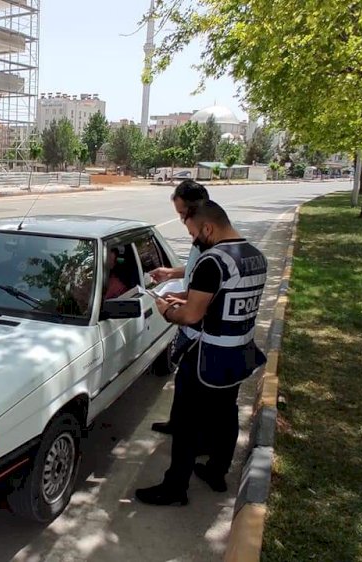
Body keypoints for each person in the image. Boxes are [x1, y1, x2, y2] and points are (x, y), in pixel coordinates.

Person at [134, 200, 267, 506]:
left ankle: (174, 488)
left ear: (208, 227)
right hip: (239, 353)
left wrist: (167, 310)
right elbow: (220, 299)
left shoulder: (213, 262)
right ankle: (217, 471)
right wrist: (185, 296)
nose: (194, 239)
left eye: (194, 232)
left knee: (185, 422)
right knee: (225, 414)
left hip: (207, 357)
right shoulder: (254, 257)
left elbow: (192, 316)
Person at [148, 180, 209, 436]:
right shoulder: (200, 238)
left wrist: (171, 309)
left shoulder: (212, 239)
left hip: (203, 333)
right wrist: (172, 272)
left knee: (199, 390)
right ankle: (178, 423)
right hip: (191, 327)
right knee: (183, 382)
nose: (183, 223)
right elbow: (196, 268)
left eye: (183, 214)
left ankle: (193, 438)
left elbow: (205, 290)